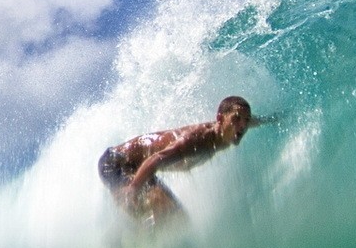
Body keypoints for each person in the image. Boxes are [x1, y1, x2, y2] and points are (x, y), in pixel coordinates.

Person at [99, 95, 266, 226]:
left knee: (170, 217)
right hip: (117, 163)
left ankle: (127, 241)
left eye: (246, 120)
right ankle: (129, 244)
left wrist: (277, 119)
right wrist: (133, 188)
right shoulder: (197, 140)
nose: (242, 126)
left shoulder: (232, 130)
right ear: (220, 119)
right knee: (172, 216)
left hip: (137, 167)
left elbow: (254, 121)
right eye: (236, 119)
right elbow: (156, 159)